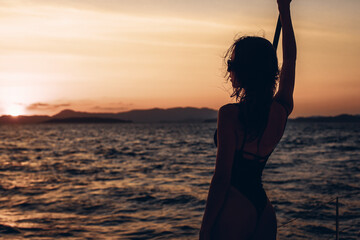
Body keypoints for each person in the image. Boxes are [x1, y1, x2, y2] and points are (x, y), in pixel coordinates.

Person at [199, 0, 296, 239]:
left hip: (235, 209)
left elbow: (221, 178)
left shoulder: (229, 115)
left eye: (232, 64)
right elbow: (291, 61)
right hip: (264, 212)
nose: (229, 70)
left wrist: (204, 231)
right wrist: (285, 10)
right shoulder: (281, 110)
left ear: (246, 70)